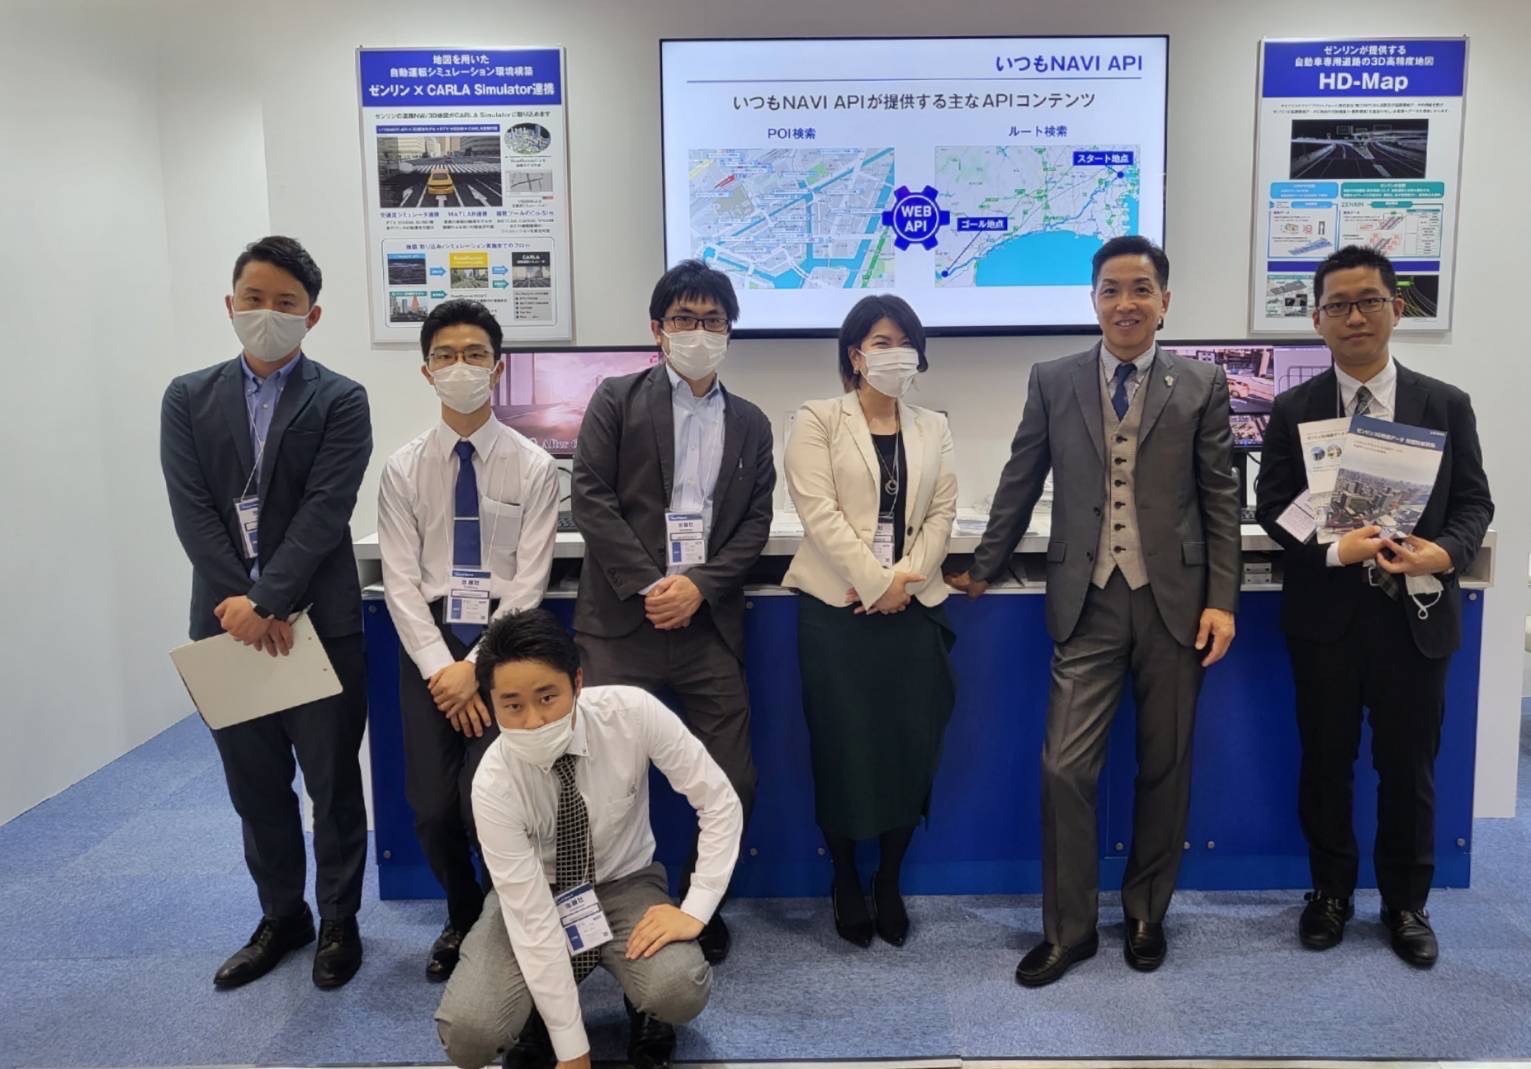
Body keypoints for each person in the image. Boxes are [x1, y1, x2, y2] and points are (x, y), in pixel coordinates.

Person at [948, 235, 1240, 986]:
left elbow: (1220, 497)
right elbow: (1020, 478)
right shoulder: (1054, 379)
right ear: (1093, 300)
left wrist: (1222, 601)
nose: (1125, 303)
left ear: (1164, 302)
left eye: (1140, 289)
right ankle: (1069, 929)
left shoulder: (1202, 383)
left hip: (1176, 605)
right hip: (1086, 601)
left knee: (1165, 764)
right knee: (1064, 767)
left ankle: (1145, 913)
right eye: (1111, 289)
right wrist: (983, 566)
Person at [1254, 245, 1493, 968]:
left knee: (1408, 768)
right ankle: (1329, 894)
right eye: (1337, 305)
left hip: (1414, 619)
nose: (1353, 316)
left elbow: (1474, 503)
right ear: (1317, 320)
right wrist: (1333, 551)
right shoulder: (1292, 408)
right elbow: (1273, 507)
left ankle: (1405, 904)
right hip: (1325, 621)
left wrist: (1441, 553)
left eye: (1367, 301)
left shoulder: (1444, 404)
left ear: (1396, 308)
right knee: (1326, 763)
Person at [159, 235, 372, 989]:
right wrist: (244, 605)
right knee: (254, 786)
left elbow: (326, 510)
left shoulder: (341, 398)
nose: (267, 313)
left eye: (286, 303)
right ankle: (283, 915)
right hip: (226, 628)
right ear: (230, 303)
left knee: (331, 783)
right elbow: (192, 509)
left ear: (312, 316)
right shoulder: (187, 396)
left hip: (318, 622)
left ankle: (340, 919)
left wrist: (270, 598)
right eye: (254, 298)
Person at [569, 259, 774, 964]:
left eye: (712, 320)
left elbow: (754, 524)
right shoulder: (616, 399)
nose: (698, 332)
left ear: (729, 331)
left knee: (732, 779)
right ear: (657, 329)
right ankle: (593, 909)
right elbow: (590, 498)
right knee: (596, 780)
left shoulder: (751, 423)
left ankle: (696, 904)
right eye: (684, 319)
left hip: (706, 626)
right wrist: (652, 586)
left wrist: (699, 587)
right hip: (621, 623)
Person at [434, 609, 742, 1069]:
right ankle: (539, 1016)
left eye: (547, 697)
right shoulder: (494, 782)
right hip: (537, 893)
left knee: (678, 988)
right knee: (468, 1035)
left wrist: (696, 909)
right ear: (492, 703)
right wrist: (572, 1048)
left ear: (577, 682)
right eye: (512, 706)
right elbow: (532, 920)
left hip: (624, 882)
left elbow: (719, 800)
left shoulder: (631, 713)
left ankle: (645, 1008)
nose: (534, 721)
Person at [378, 299, 560, 981]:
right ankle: (462, 912)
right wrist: (442, 669)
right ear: (427, 371)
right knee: (431, 808)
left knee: (486, 801)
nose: (461, 367)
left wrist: (477, 667)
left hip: (503, 645)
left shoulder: (534, 466)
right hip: (429, 648)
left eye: (475, 354)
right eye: (446, 356)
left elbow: (531, 579)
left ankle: (506, 915)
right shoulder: (402, 468)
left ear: (498, 367)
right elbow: (399, 582)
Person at [781, 295, 958, 948]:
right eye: (881, 342)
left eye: (905, 341)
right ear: (854, 355)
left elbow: (942, 512)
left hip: (911, 611)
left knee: (908, 749)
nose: (895, 353)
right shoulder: (817, 419)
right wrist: (878, 583)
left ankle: (889, 878)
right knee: (844, 749)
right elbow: (818, 513)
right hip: (838, 613)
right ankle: (845, 878)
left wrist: (902, 580)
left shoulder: (933, 426)